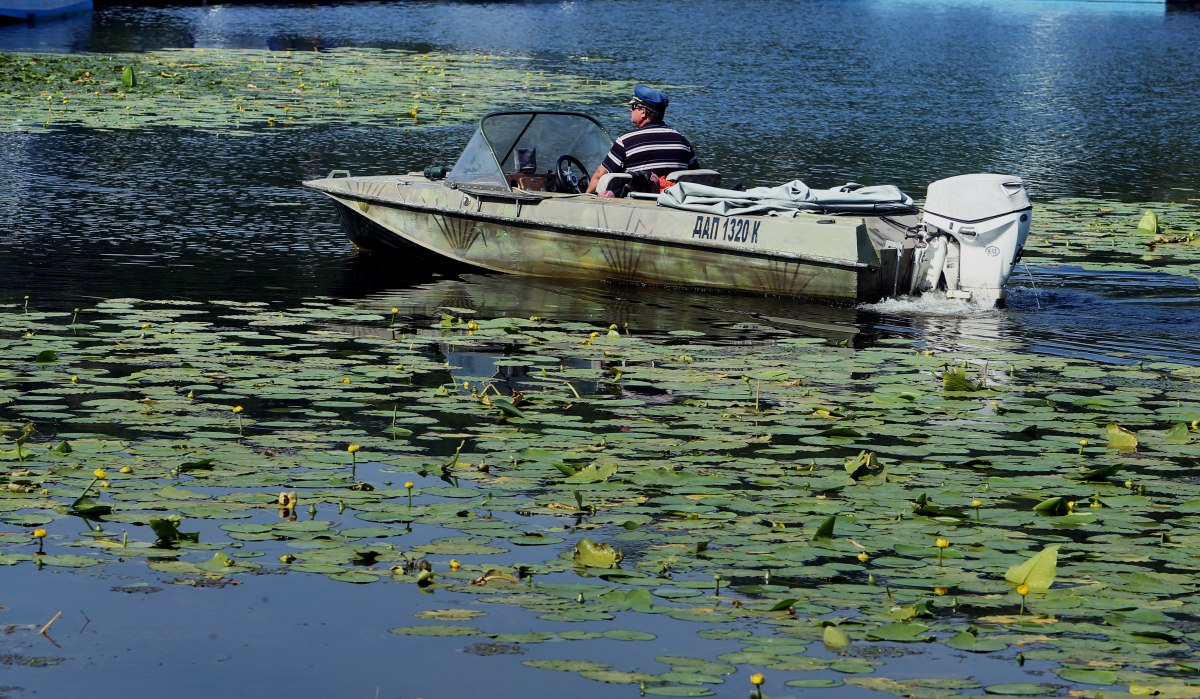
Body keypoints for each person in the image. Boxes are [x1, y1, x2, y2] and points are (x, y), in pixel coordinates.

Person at [585, 85, 700, 195]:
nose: (631, 110)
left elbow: (600, 175)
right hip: (673, 203)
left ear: (643, 112)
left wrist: (586, 197)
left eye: (633, 106)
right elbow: (696, 175)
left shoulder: (626, 141)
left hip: (638, 205)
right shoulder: (683, 141)